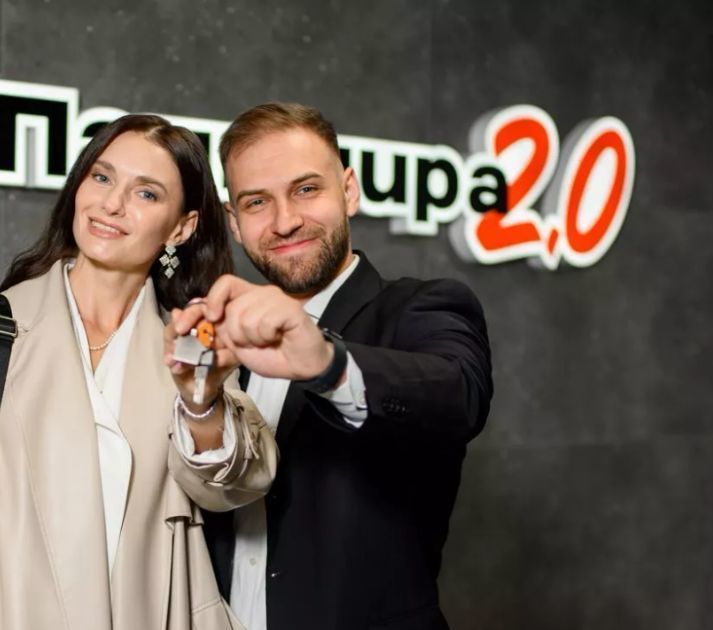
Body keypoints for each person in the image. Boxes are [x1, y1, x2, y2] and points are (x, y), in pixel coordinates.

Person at [0, 114, 278, 630]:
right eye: (102, 177)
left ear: (181, 227)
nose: (112, 204)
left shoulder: (189, 348)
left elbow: (235, 486)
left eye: (146, 193)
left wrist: (201, 403)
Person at [172, 103, 493, 630]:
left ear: (349, 190)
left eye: (306, 189)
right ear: (234, 223)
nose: (285, 221)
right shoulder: (222, 338)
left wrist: (326, 362)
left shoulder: (423, 307)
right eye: (257, 202)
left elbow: (458, 395)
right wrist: (201, 401)